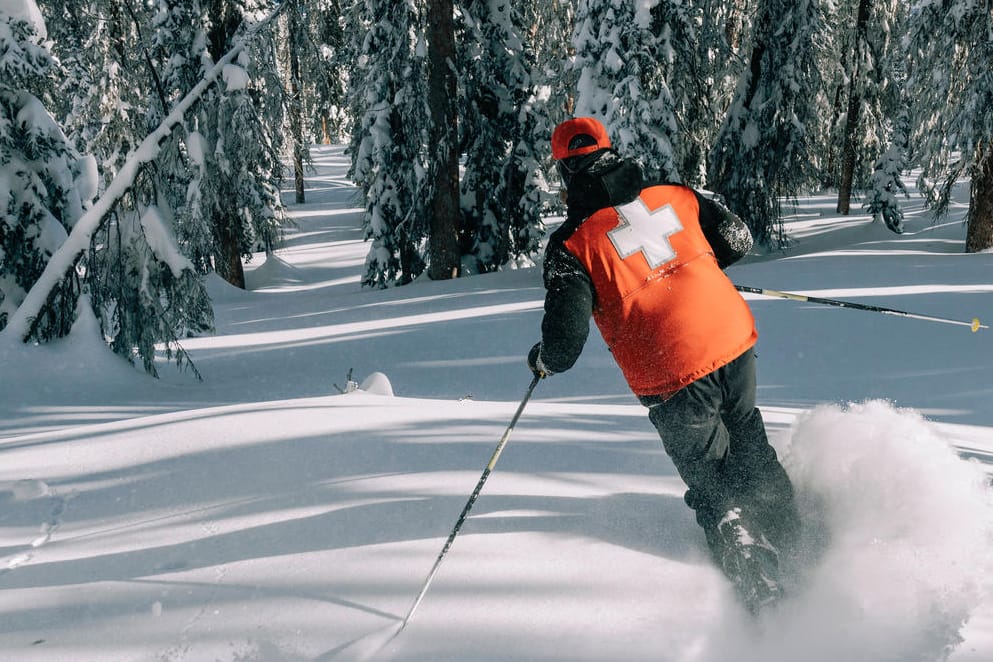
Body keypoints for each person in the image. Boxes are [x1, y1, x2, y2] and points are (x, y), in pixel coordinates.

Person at [528, 116, 800, 615]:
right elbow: (737, 239)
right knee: (749, 442)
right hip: (732, 339)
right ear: (611, 151)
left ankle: (762, 595)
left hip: (671, 368)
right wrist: (692, 263)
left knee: (713, 478)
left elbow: (565, 341)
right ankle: (802, 546)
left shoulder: (571, 244)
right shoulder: (675, 194)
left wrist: (544, 360)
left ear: (565, 170)